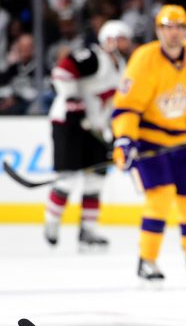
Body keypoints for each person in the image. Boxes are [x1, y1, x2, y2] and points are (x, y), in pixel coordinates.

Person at [111, 5, 186, 284]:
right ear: (159, 30)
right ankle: (147, 260)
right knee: (159, 201)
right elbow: (126, 107)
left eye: (179, 27)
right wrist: (124, 139)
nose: (174, 33)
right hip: (150, 142)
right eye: (167, 27)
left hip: (183, 141)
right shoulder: (144, 59)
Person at [44, 20, 132, 250]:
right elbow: (62, 70)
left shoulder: (122, 66)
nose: (125, 43)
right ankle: (52, 222)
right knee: (68, 179)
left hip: (95, 129)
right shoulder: (93, 57)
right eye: (121, 38)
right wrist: (73, 102)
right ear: (109, 39)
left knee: (96, 180)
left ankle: (88, 230)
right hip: (69, 124)